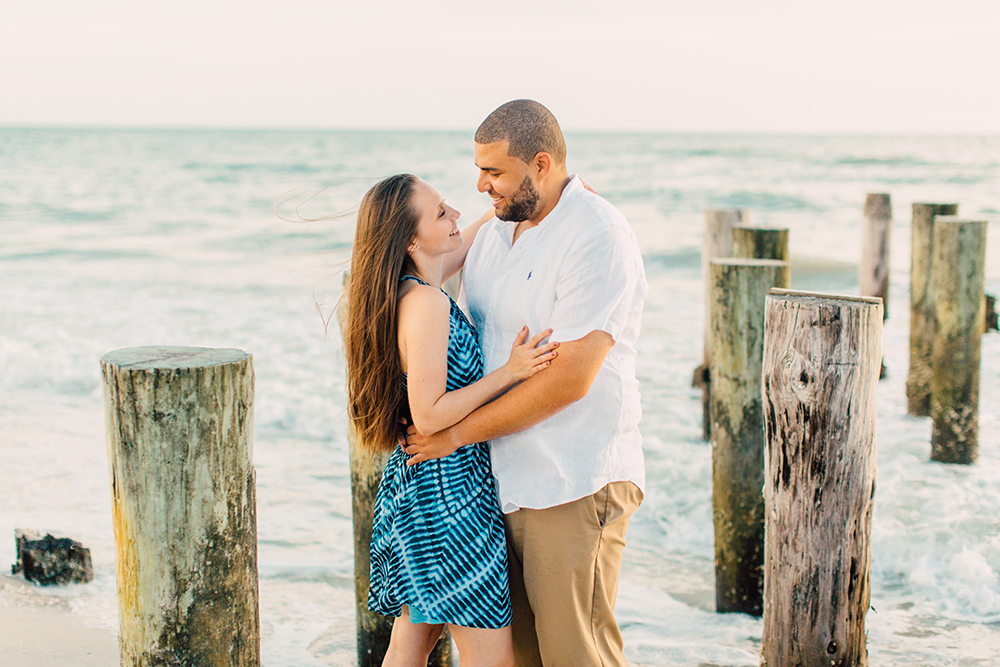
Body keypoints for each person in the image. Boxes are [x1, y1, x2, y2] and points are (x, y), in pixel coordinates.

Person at [403, 100, 648, 667]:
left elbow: (569, 380)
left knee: (577, 656)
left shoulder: (596, 234)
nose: (482, 185)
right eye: (479, 170)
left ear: (541, 164)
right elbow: (415, 276)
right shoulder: (493, 233)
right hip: (497, 485)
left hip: (572, 481)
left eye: (495, 172)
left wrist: (453, 435)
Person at [343, 173, 559, 667]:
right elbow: (429, 413)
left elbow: (475, 233)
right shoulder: (427, 303)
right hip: (448, 499)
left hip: (422, 488)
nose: (456, 214)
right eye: (441, 212)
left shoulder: (413, 286)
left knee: (410, 647)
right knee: (491, 659)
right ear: (412, 240)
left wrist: (514, 198)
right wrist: (511, 372)